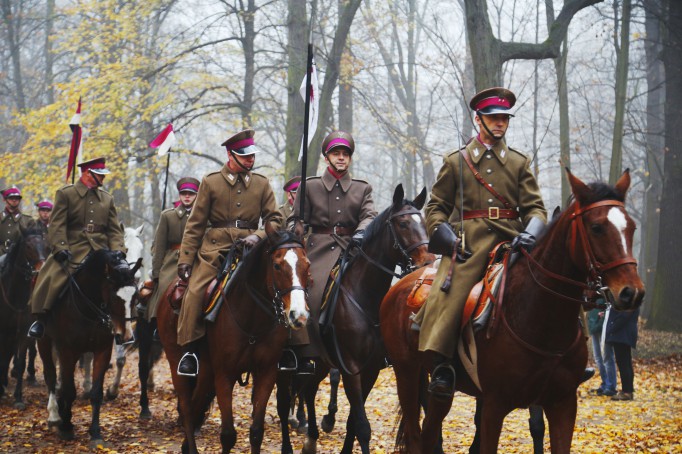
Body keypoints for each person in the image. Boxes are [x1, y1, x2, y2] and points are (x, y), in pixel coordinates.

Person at [414, 87, 547, 398]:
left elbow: (535, 207)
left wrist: (533, 231)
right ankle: (443, 364)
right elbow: (436, 207)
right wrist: (442, 232)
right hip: (469, 244)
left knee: (551, 280)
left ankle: (567, 358)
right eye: (494, 118)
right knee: (454, 293)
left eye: (504, 119)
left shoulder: (518, 162)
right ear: (479, 120)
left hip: (513, 239)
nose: (500, 124)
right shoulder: (456, 161)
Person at [176, 129, 282, 377]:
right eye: (245, 156)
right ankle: (190, 350)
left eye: (252, 156)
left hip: (252, 249)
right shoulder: (211, 182)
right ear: (230, 155)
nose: (250, 161)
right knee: (195, 291)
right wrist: (185, 259)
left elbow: (275, 220)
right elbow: (195, 225)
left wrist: (259, 235)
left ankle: (291, 348)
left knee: (284, 287)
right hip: (215, 249)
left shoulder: (261, 183)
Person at [283, 130, 377, 374]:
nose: (341, 158)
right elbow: (296, 219)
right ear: (327, 157)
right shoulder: (310, 186)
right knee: (309, 294)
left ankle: (379, 348)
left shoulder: (362, 188)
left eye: (345, 154)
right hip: (318, 248)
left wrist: (361, 232)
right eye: (336, 153)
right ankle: (304, 353)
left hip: (352, 247)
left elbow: (369, 215)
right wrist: (296, 229)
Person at [28, 157, 127, 338]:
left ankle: (122, 325)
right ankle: (41, 318)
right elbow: (57, 225)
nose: (103, 179)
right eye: (99, 175)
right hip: (72, 248)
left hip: (101, 250)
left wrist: (119, 250)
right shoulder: (66, 194)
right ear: (88, 174)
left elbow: (114, 230)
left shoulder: (107, 198)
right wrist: (60, 248)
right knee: (51, 276)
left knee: (123, 279)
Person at [144, 177, 199, 325]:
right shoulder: (167, 216)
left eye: (191, 194)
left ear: (197, 195)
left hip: (197, 259)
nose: (187, 196)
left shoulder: (203, 216)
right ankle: (158, 323)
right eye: (184, 193)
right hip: (172, 261)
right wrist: (156, 272)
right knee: (163, 288)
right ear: (180, 195)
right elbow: (159, 247)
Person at [605, 306, 640, 401]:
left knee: (623, 363)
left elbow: (624, 315)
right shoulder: (632, 296)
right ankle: (628, 390)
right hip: (624, 333)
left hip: (622, 333)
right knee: (626, 363)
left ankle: (626, 392)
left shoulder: (628, 296)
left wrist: (612, 326)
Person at [588, 304, 616, 396]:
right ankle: (605, 383)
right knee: (598, 358)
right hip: (593, 327)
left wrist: (601, 319)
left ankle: (611, 386)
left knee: (606, 357)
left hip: (603, 327)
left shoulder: (604, 293)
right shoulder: (589, 296)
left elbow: (610, 306)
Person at [0, 186, 36, 259]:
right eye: (11, 198)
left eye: (17, 198)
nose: (14, 200)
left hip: (20, 258)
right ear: (5, 199)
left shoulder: (28, 220)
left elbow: (34, 244)